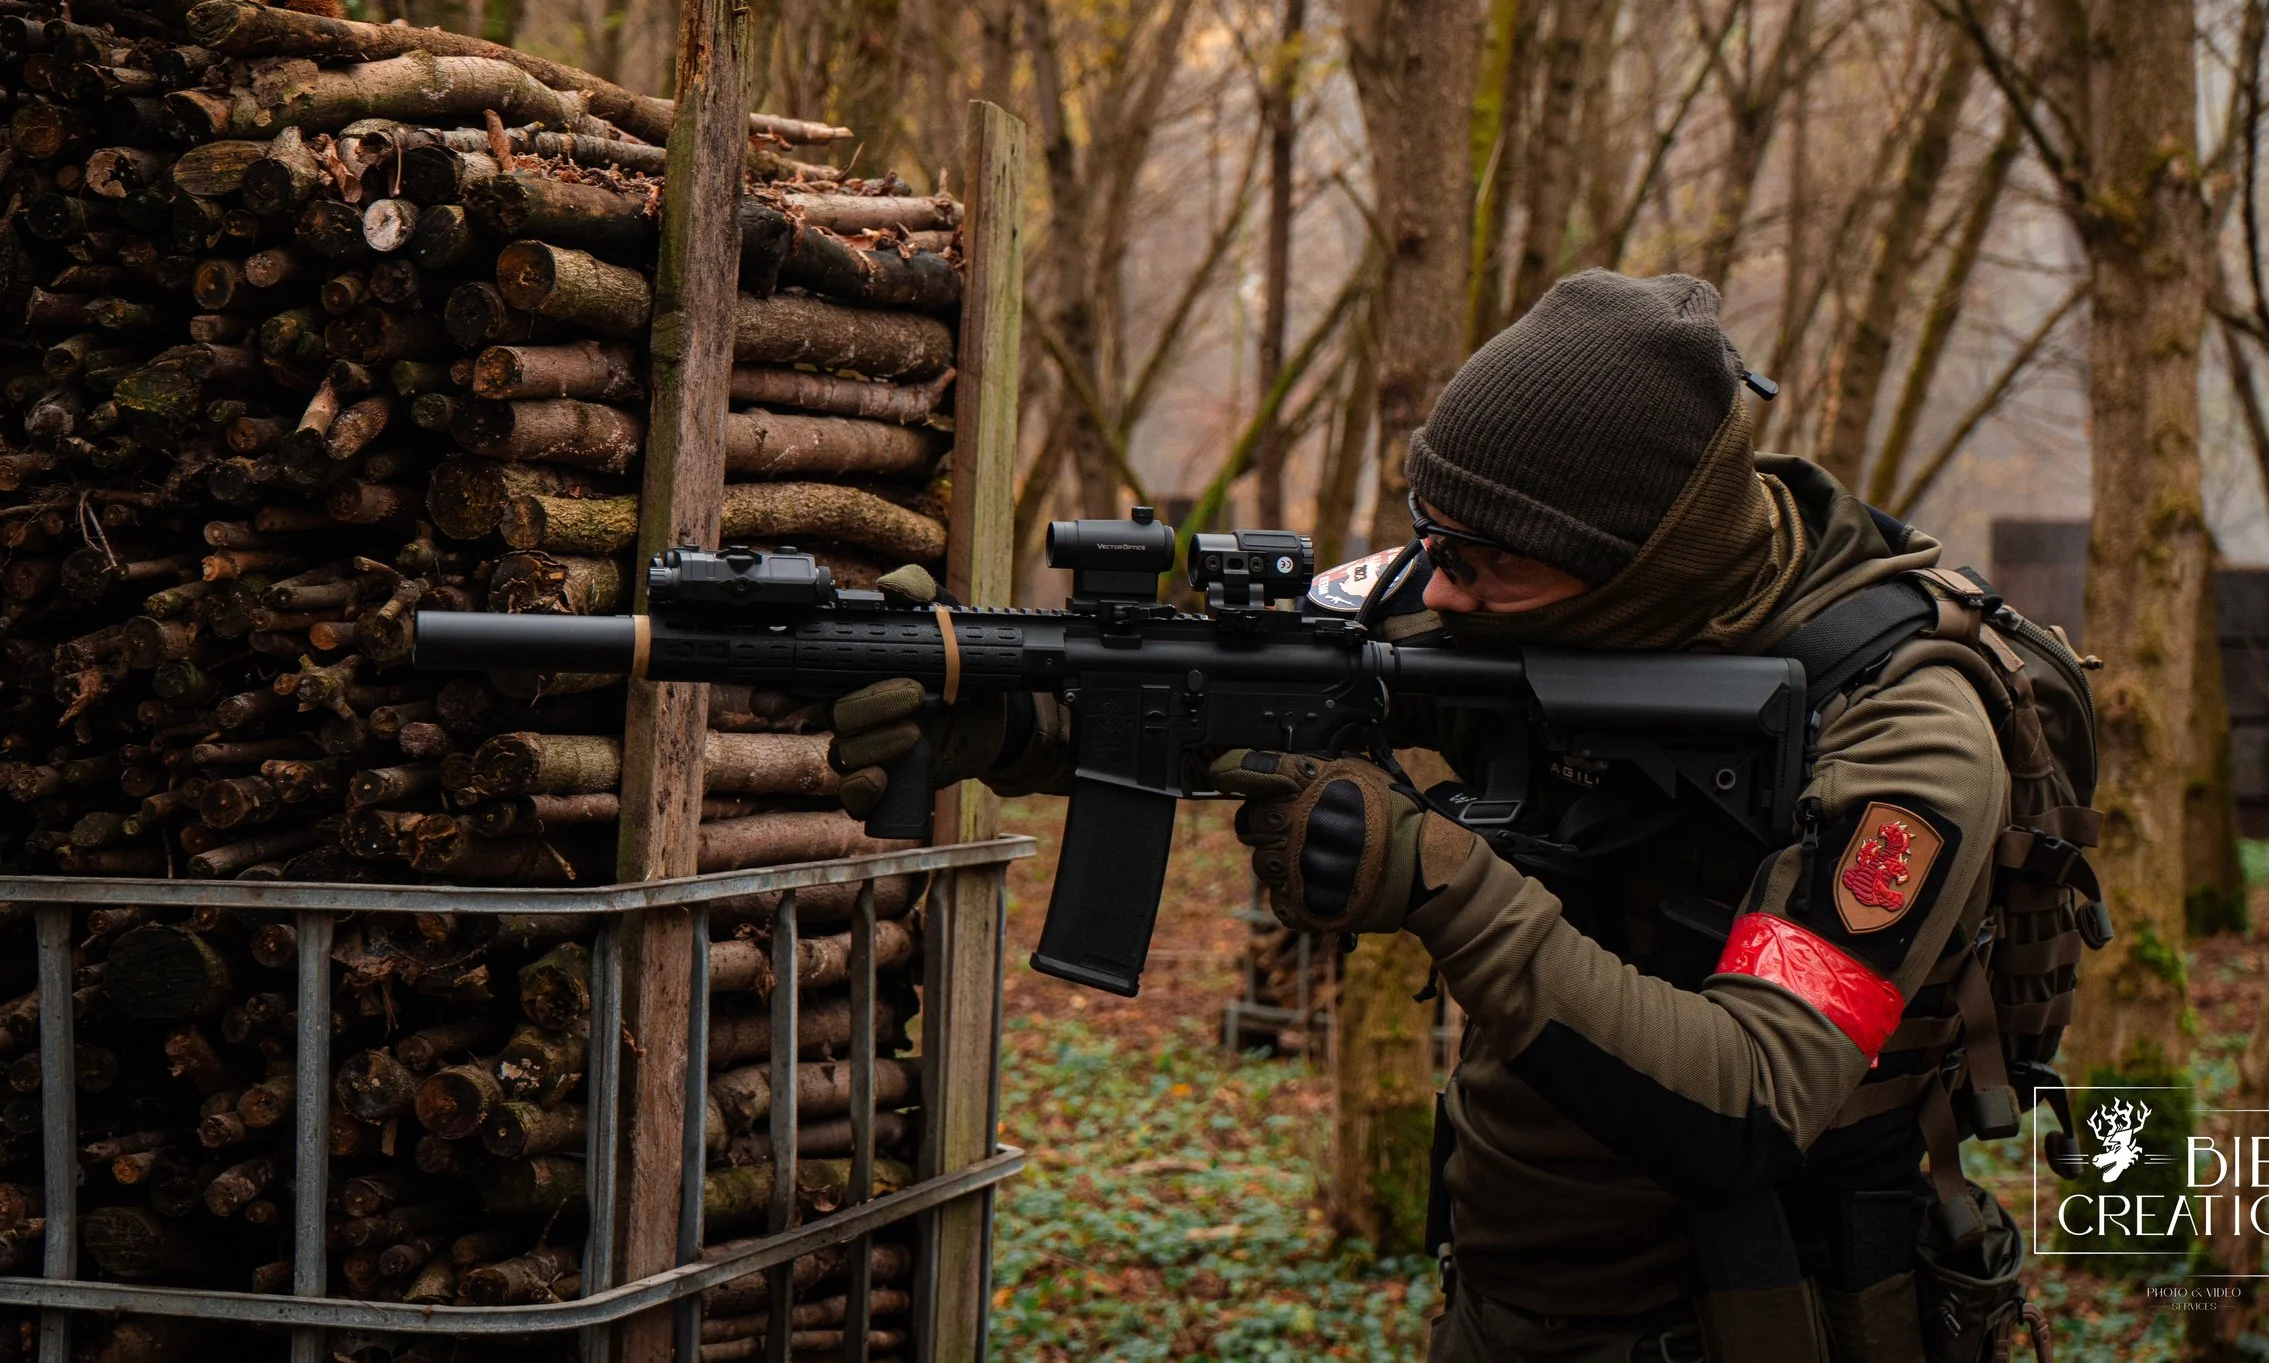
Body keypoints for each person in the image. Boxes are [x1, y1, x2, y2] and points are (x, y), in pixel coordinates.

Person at [840, 272, 2027, 1363]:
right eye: (1429, 533)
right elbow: (1236, 684)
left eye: (1479, 559)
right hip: (1505, 1308)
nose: (1436, 585)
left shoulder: (1902, 732)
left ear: (1631, 569)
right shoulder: (1502, 589)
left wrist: (1438, 877)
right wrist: (1008, 724)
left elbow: (1750, 1095)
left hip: (1759, 1325)